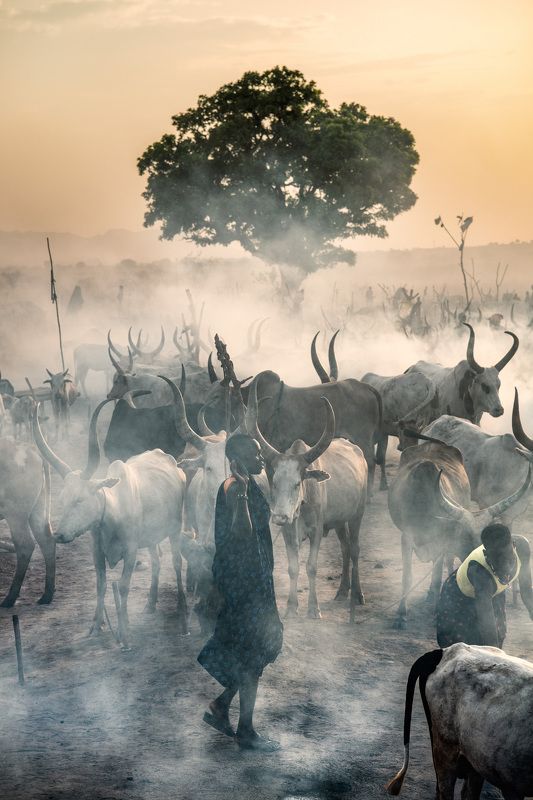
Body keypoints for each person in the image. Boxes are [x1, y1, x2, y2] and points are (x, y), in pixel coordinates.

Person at [198, 433, 283, 752]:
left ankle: (221, 707)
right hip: (243, 584)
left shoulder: (243, 484)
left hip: (252, 580)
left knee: (253, 652)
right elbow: (242, 533)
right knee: (252, 652)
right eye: (255, 452)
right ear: (238, 456)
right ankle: (245, 731)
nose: (262, 457)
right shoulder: (235, 487)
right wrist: (246, 495)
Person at [436, 524, 533, 648]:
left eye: (508, 558)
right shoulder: (480, 572)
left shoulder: (522, 547)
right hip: (458, 597)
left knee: (499, 634)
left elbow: (527, 592)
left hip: (492, 591)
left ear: (513, 545)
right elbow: (488, 631)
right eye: (498, 560)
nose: (505, 566)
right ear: (486, 554)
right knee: (461, 648)